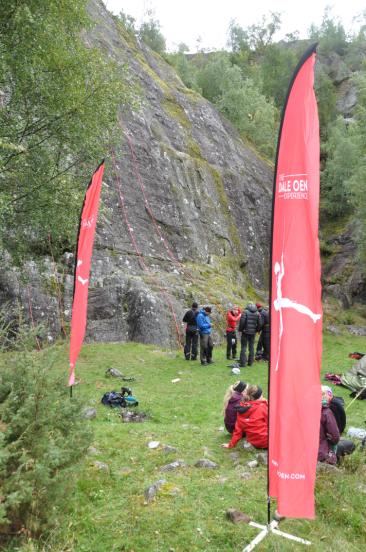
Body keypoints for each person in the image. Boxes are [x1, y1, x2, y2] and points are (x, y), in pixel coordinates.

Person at [319, 386, 355, 464]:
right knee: (350, 444)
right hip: (321, 453)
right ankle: (335, 462)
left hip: (303, 451)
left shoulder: (302, 410)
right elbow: (335, 437)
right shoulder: (326, 412)